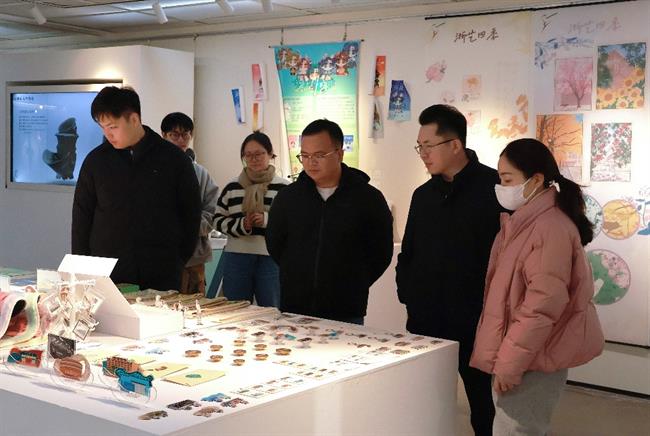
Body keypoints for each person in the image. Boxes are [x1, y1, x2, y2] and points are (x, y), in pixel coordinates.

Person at [470, 138, 604, 436]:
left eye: (508, 179)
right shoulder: (526, 223)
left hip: (532, 358)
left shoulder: (548, 228)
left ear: (536, 180)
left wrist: (509, 364)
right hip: (526, 354)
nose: (501, 187)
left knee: (517, 429)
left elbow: (541, 307)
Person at [396, 104, 501, 435]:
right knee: (426, 405)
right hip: (426, 320)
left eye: (428, 146)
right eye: (419, 147)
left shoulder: (494, 189)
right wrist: (408, 294)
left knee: (484, 406)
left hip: (476, 322)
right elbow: (409, 251)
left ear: (455, 145)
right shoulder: (423, 195)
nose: (423, 154)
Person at [71, 86, 201, 292]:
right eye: (103, 127)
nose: (107, 134)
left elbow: (191, 215)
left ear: (133, 119)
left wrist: (176, 260)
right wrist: (81, 268)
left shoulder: (174, 159)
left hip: (160, 273)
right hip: (107, 274)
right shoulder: (96, 161)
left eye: (113, 127)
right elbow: (81, 218)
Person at [266, 119, 393, 324]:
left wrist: (355, 282)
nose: (310, 162)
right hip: (295, 307)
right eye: (305, 155)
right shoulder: (288, 198)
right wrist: (295, 274)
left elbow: (381, 252)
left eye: (319, 155)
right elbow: (275, 244)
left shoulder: (367, 198)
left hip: (346, 309)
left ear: (340, 153)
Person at [213, 131, 288, 307]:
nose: (254, 159)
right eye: (248, 155)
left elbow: (292, 222)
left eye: (259, 154)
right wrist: (242, 224)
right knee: (235, 309)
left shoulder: (284, 187)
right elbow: (217, 220)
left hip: (271, 257)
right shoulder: (232, 187)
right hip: (236, 256)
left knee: (271, 309)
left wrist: (266, 220)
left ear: (270, 154)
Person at [161, 112, 220, 295]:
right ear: (164, 135)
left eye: (185, 134)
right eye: (174, 135)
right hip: (160, 253)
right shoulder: (153, 170)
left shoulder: (201, 173)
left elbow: (213, 210)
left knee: (195, 306)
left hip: (194, 256)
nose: (181, 140)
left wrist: (189, 227)